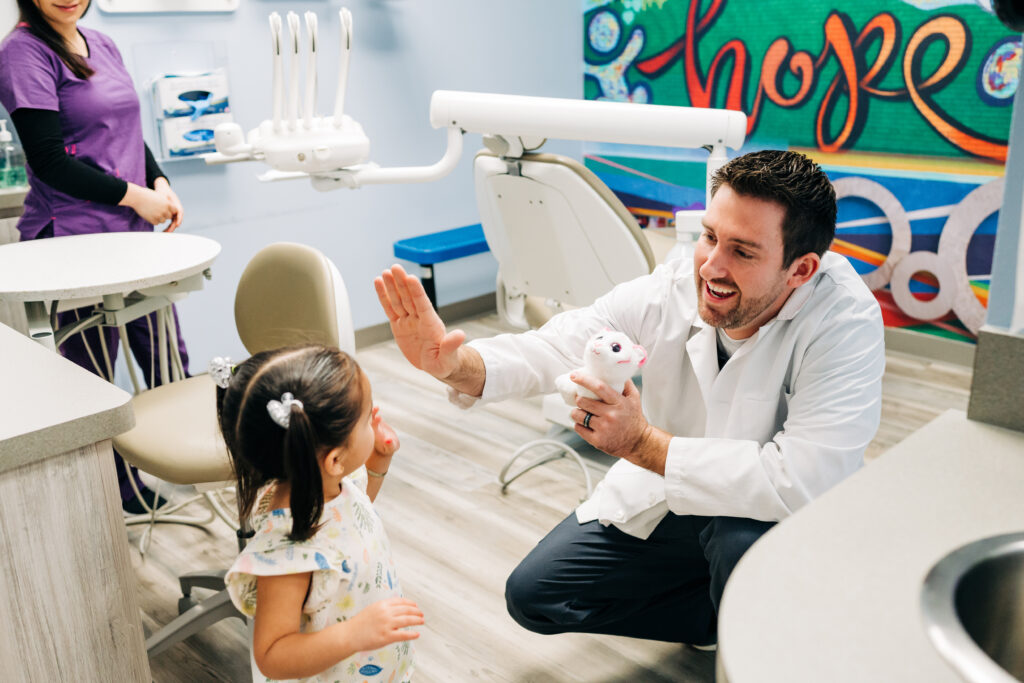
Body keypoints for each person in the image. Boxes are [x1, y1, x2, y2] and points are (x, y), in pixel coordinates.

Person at [375, 149, 885, 647]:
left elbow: (800, 477)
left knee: (738, 541)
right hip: (675, 494)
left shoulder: (844, 321)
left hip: (771, 516)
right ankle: (723, 618)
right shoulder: (674, 286)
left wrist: (641, 443)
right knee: (537, 596)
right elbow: (562, 343)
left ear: (801, 270)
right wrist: (456, 365)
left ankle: (763, 632)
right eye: (710, 237)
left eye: (743, 252)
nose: (711, 267)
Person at [0, 0, 189, 513]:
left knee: (166, 354)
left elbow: (127, 130)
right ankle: (119, 493)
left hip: (130, 232)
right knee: (93, 375)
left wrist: (159, 182)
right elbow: (49, 161)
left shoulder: (101, 43)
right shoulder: (24, 52)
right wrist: (136, 197)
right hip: (74, 237)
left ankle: (187, 455)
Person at [218, 345, 422, 682]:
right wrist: (355, 633)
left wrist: (379, 460)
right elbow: (272, 655)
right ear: (335, 460)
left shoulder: (329, 486)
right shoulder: (288, 554)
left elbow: (354, 518)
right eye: (367, 418)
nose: (376, 416)